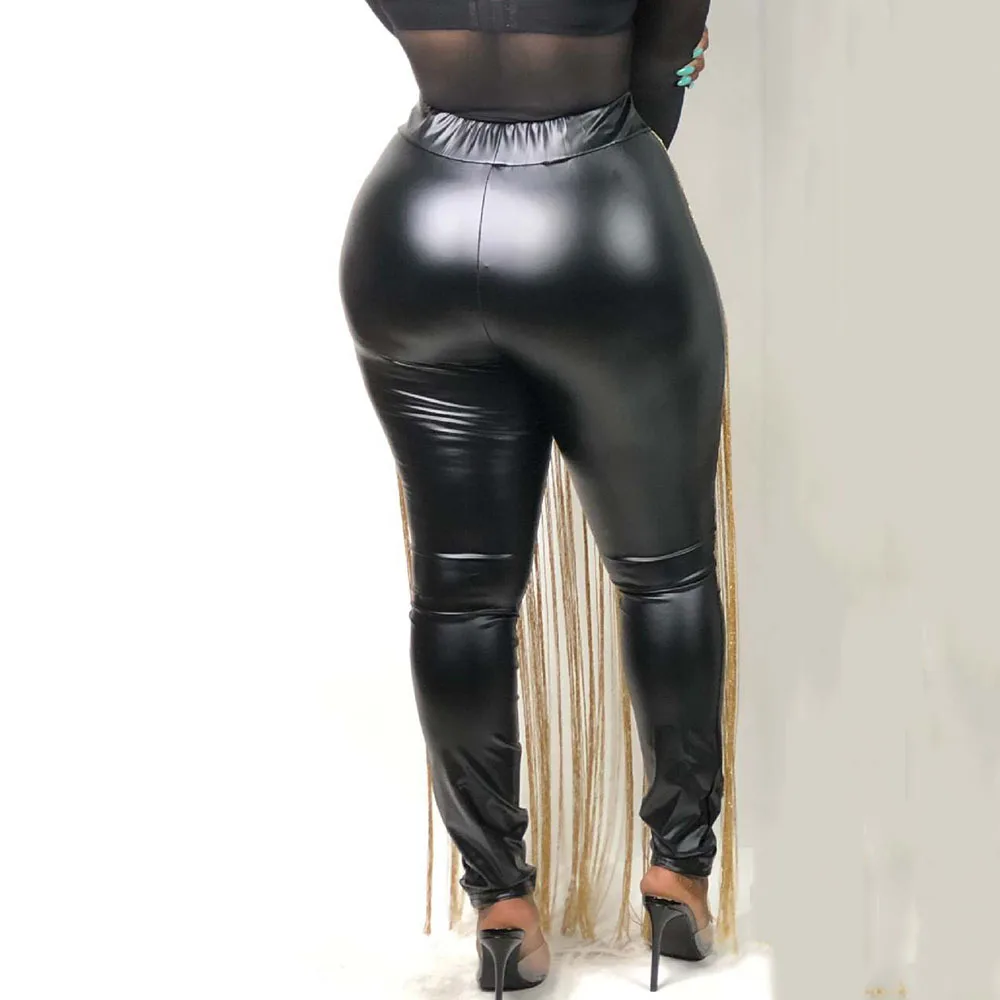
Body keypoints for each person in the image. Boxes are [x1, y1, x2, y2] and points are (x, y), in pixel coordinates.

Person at [339, 2, 723, 995]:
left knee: (458, 599)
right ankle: (677, 875)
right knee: (666, 574)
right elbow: (668, 55)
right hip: (601, 215)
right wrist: (608, 174)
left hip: (414, 227)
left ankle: (501, 907)